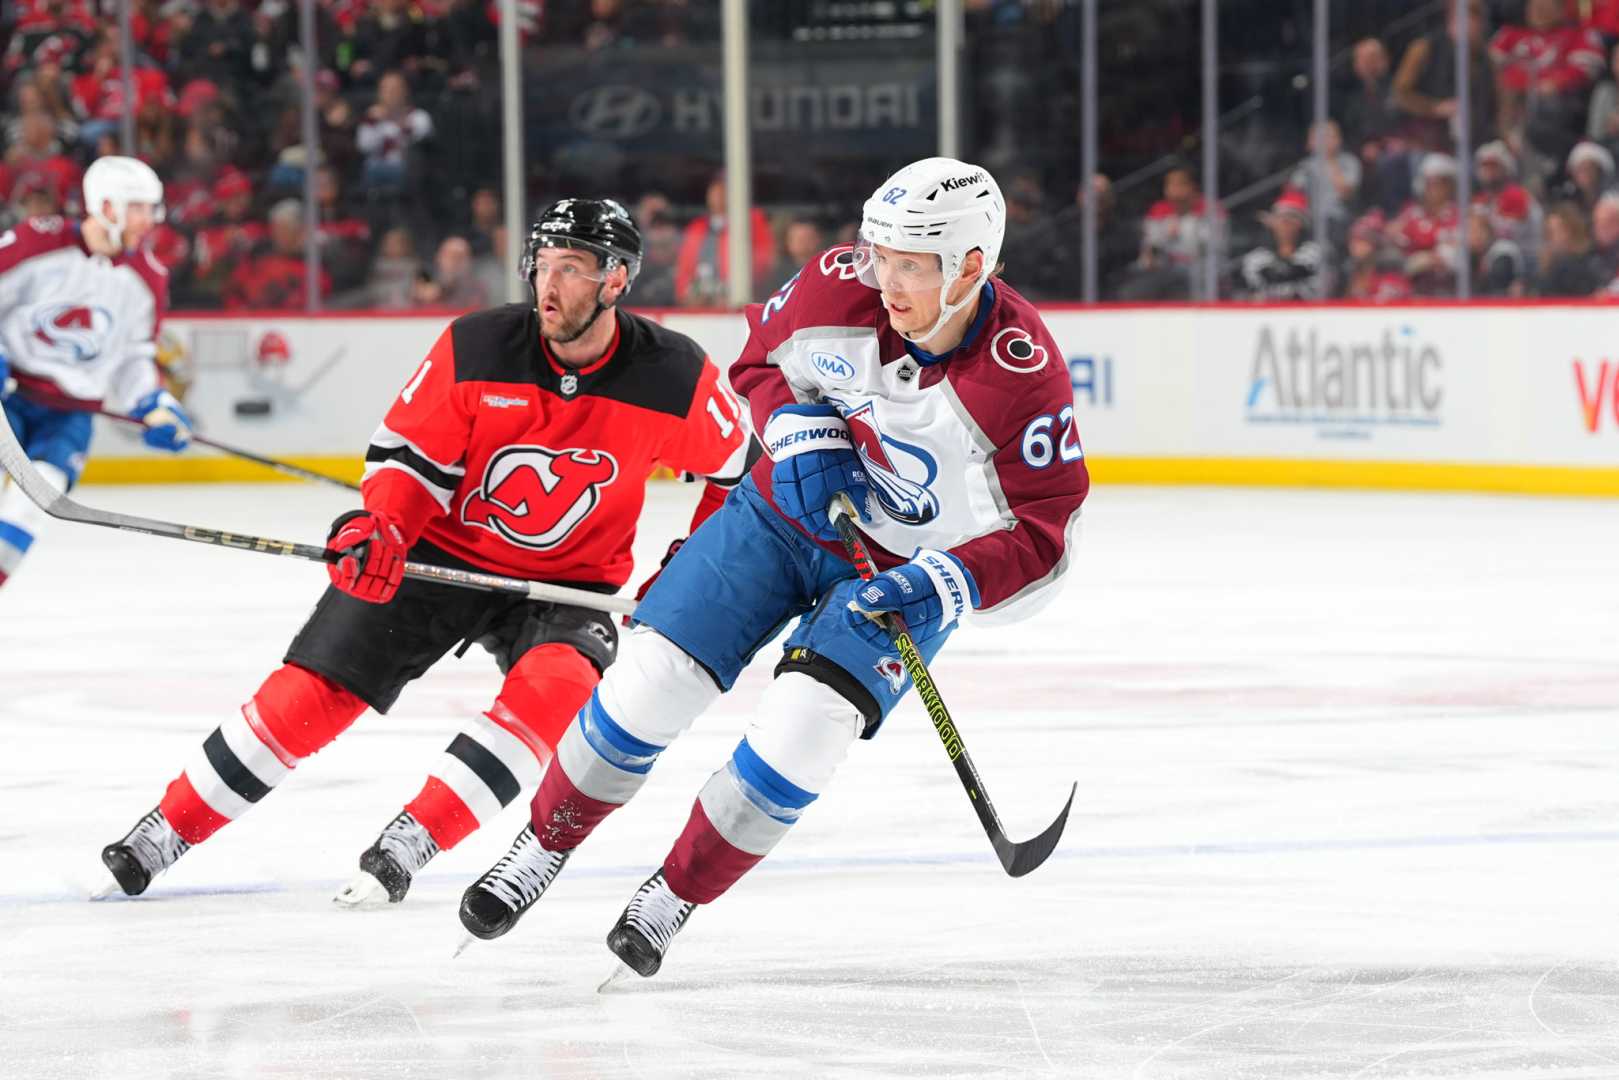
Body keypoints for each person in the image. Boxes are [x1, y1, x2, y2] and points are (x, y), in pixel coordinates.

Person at [456, 157, 1090, 977]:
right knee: (651, 678)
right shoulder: (840, 284)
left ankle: (676, 891)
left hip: (902, 574)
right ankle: (543, 845)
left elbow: (1045, 535)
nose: (886, 283)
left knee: (803, 732)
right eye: (879, 255)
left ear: (971, 265)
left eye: (911, 264)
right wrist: (795, 428)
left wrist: (944, 581)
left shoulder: (1021, 376)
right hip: (780, 513)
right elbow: (758, 360)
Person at [99, 199, 755, 902]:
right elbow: (406, 462)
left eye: (571, 268)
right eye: (542, 265)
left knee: (559, 690)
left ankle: (415, 836)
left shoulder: (674, 374)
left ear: (617, 281)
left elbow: (739, 475)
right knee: (315, 690)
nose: (547, 285)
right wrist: (380, 527)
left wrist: (686, 565)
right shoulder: (477, 345)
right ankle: (166, 827)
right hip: (438, 554)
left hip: (571, 583)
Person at [0, 156, 191, 590]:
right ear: (107, 207)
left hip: (69, 415)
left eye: (152, 208)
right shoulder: (37, 242)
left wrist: (157, 404)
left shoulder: (147, 277)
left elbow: (133, 358)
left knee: (32, 505)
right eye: (140, 207)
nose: (150, 219)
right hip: (9, 398)